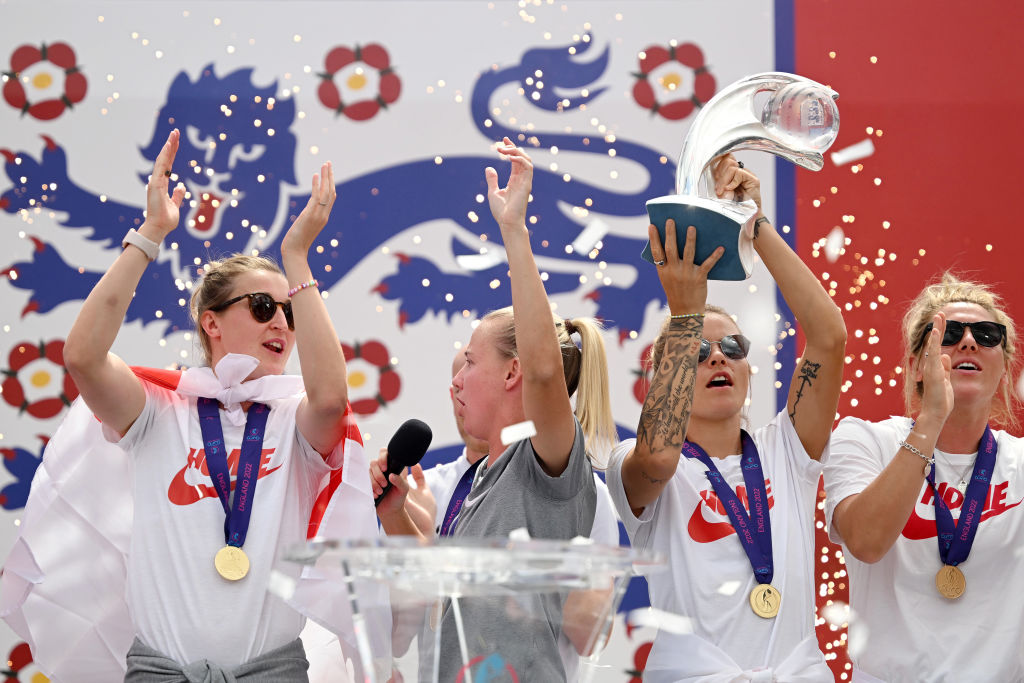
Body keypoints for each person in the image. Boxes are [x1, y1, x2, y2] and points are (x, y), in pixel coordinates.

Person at [60, 128, 354, 679]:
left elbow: (333, 398)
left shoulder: (295, 418)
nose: (279, 323)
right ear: (211, 322)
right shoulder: (156, 412)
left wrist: (297, 260)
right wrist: (150, 234)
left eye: (288, 313)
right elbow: (82, 356)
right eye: (264, 305)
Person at [371, 137, 617, 682]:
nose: (453, 381)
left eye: (469, 363)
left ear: (513, 372)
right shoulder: (479, 478)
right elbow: (444, 595)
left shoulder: (546, 462)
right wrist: (393, 516)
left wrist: (514, 232)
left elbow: (546, 372)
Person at [607, 155, 845, 681]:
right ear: (662, 377)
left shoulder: (787, 448)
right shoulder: (634, 461)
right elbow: (658, 456)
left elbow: (828, 334)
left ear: (749, 369)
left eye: (732, 346)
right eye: (696, 350)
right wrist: (683, 317)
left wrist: (753, 223)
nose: (716, 357)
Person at [824, 273, 1024, 682]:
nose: (968, 342)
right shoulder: (864, 439)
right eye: (949, 334)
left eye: (987, 335)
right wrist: (932, 418)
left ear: (1004, 368)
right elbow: (866, 541)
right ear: (916, 365)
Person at [388, 347, 621, 680]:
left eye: (470, 370)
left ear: (512, 378)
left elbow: (592, 636)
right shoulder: (424, 489)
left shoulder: (580, 491)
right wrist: (412, 534)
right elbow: (398, 637)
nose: (459, 388)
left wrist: (540, 568)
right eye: (455, 382)